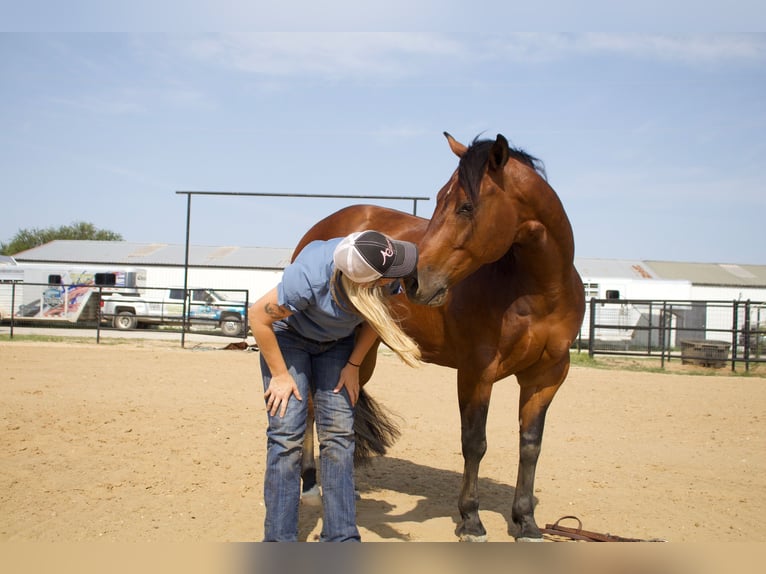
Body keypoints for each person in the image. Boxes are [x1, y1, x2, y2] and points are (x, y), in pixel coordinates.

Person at [248, 230, 421, 542]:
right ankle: (278, 540)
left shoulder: (380, 274)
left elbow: (376, 318)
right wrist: (280, 375)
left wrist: (354, 365)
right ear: (366, 282)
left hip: (337, 345)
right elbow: (258, 317)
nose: (397, 276)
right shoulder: (309, 278)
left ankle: (341, 539)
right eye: (389, 275)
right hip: (290, 339)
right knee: (286, 436)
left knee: (339, 436)